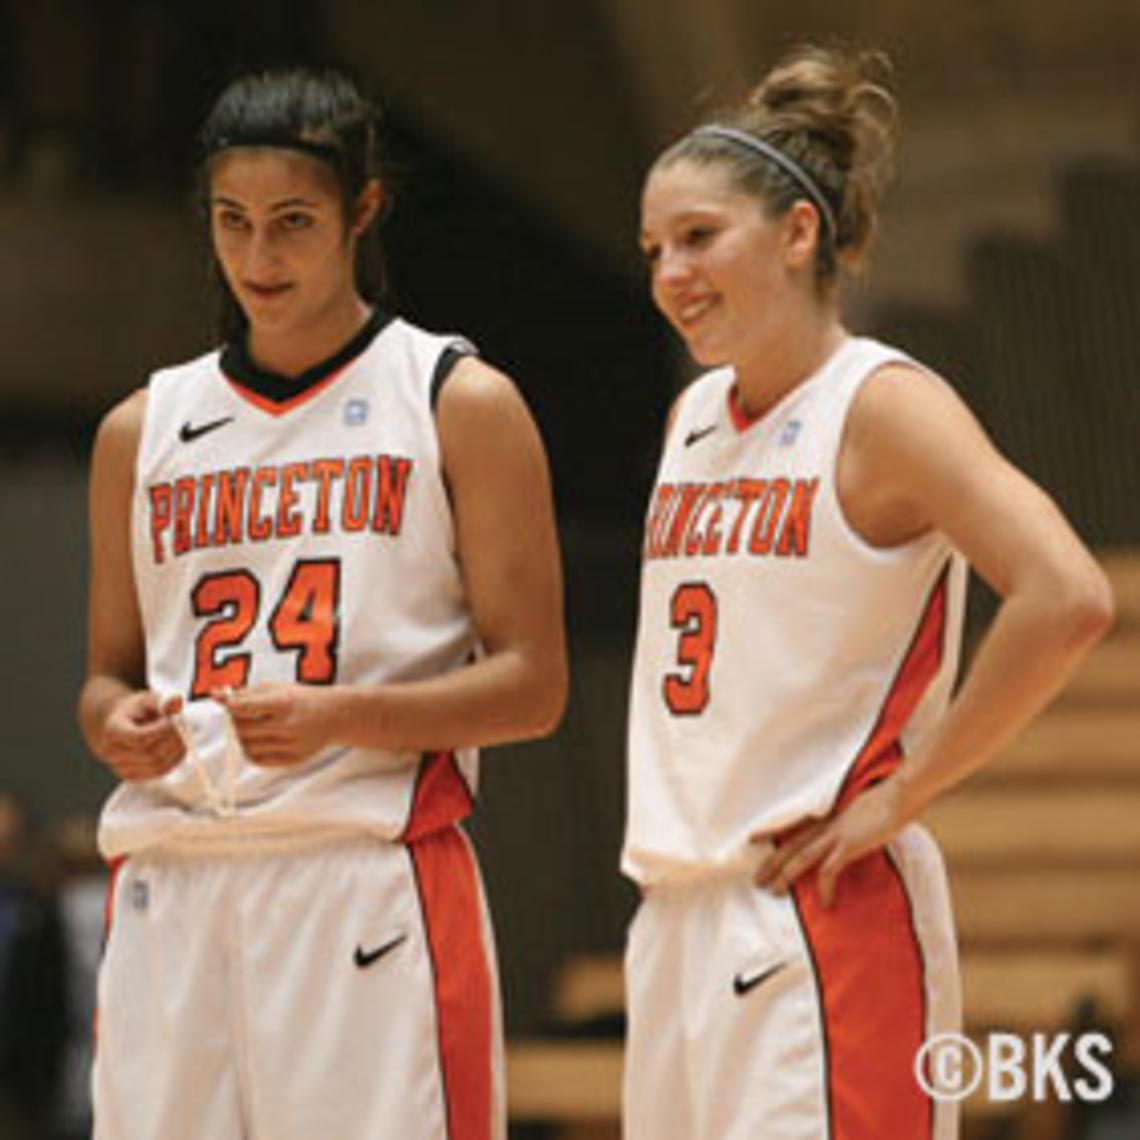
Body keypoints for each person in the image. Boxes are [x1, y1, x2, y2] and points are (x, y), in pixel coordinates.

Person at [622, 45, 1114, 1139]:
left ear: (800, 234)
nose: (670, 273)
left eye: (700, 237)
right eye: (655, 247)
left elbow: (1067, 595)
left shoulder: (882, 406)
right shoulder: (692, 420)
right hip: (673, 917)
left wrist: (907, 791)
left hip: (818, 923)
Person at [77, 67, 567, 1140]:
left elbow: (534, 688)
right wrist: (115, 723)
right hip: (172, 889)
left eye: (293, 222)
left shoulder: (457, 402)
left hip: (362, 886)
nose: (259, 257)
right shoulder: (139, 430)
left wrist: (339, 716)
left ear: (363, 210)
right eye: (232, 222)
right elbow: (107, 674)